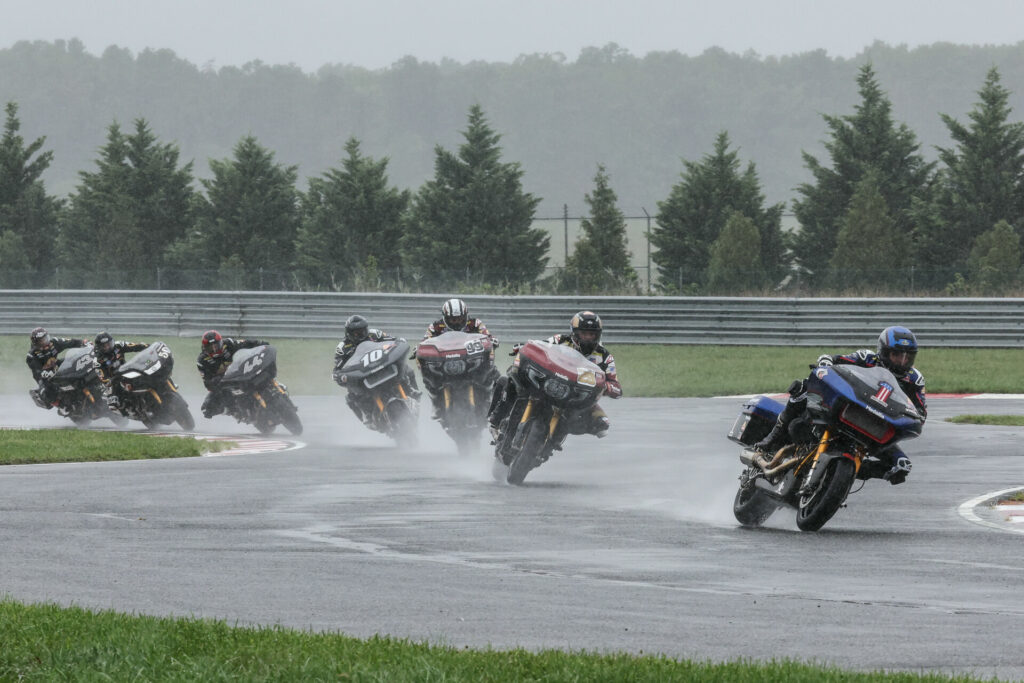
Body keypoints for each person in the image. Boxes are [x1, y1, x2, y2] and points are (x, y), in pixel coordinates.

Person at [754, 325, 926, 485]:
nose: (902, 361)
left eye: (907, 356)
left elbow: (920, 412)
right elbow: (836, 360)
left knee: (902, 465)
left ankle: (847, 473)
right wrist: (826, 362)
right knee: (802, 389)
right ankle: (772, 438)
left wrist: (914, 417)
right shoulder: (867, 357)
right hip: (851, 406)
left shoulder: (914, 379)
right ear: (883, 351)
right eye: (897, 355)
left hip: (876, 424)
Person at [487, 310, 623, 439]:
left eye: (592, 334)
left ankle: (554, 438)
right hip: (549, 382)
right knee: (511, 378)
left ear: (598, 335)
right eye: (584, 333)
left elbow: (616, 386)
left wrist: (607, 386)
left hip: (575, 396)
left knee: (602, 424)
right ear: (574, 333)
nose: (588, 338)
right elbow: (540, 347)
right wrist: (524, 347)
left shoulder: (605, 357)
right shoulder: (560, 340)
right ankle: (496, 420)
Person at [419, 298, 499, 419]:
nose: (456, 323)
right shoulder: (435, 327)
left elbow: (487, 336)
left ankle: (498, 401)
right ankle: (436, 403)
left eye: (460, 319)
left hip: (470, 360)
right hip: (446, 363)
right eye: (453, 319)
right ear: (445, 318)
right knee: (428, 377)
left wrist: (492, 340)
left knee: (493, 372)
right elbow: (425, 342)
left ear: (466, 316)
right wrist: (419, 349)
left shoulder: (475, 323)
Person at [333, 314, 420, 424]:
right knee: (350, 396)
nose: (360, 334)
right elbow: (338, 367)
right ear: (348, 333)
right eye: (356, 333)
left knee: (407, 369)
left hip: (382, 364)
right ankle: (366, 416)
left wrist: (400, 341)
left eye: (363, 331)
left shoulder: (375, 334)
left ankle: (413, 390)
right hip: (363, 374)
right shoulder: (342, 347)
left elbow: (393, 340)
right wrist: (338, 375)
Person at [196, 329, 269, 419]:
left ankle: (272, 385)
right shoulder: (202, 360)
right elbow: (207, 383)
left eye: (216, 346)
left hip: (242, 371)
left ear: (221, 343)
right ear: (204, 347)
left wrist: (260, 343)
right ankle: (233, 411)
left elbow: (244, 343)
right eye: (210, 348)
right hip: (225, 383)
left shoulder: (228, 343)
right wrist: (215, 381)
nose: (214, 349)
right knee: (206, 409)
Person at [25, 327, 89, 408]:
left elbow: (71, 342)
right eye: (42, 341)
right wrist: (44, 373)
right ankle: (61, 405)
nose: (46, 342)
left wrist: (83, 343)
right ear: (36, 343)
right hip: (44, 377)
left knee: (72, 360)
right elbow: (37, 371)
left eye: (46, 338)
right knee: (47, 392)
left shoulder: (54, 342)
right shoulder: (31, 355)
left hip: (56, 366)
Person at [93, 331, 149, 412]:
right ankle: (126, 409)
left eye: (109, 344)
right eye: (105, 346)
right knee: (114, 402)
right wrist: (110, 382)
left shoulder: (119, 345)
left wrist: (148, 346)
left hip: (126, 370)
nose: (108, 347)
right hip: (113, 380)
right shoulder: (97, 361)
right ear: (100, 347)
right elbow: (104, 379)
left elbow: (134, 346)